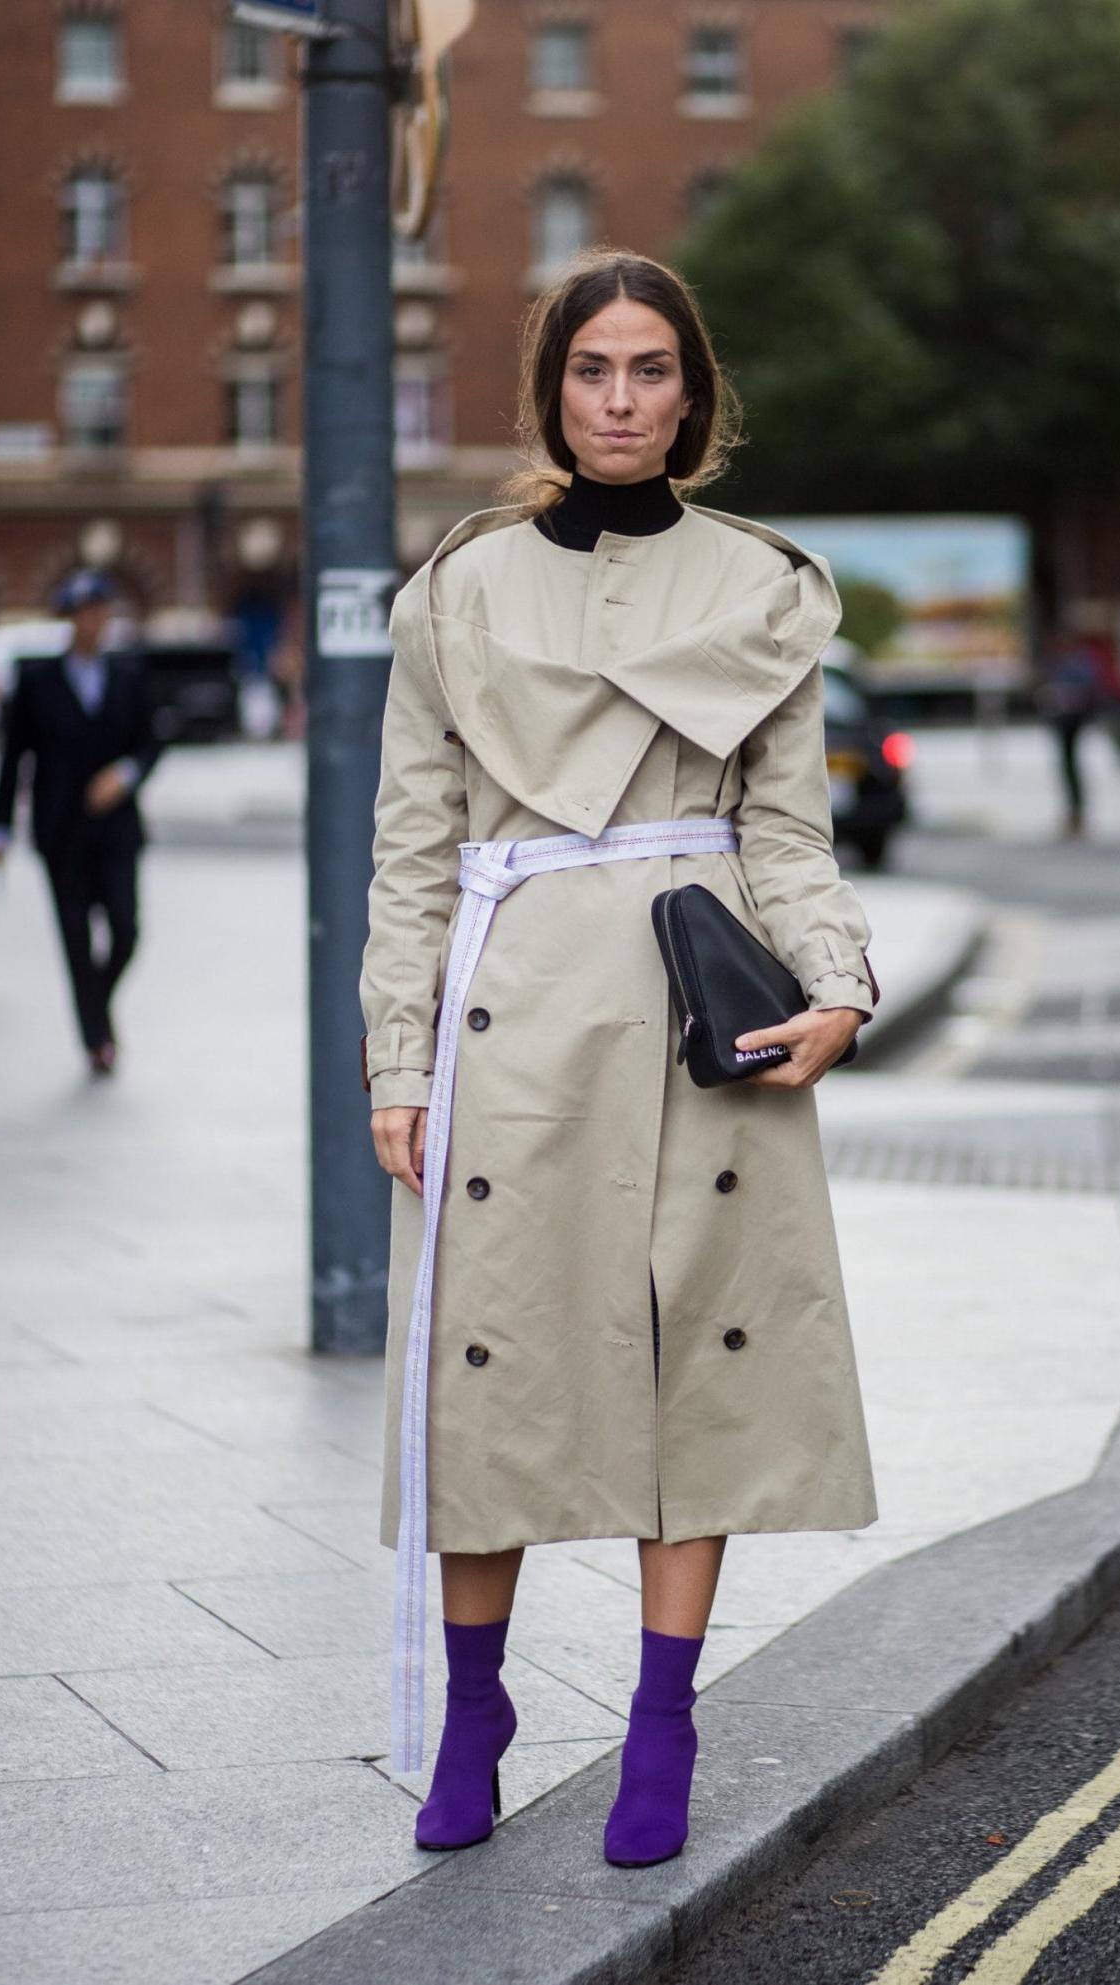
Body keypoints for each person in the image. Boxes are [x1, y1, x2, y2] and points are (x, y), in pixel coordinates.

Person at [359, 249, 879, 1867]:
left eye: (651, 370)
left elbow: (784, 829)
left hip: (692, 1016)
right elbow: (413, 846)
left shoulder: (757, 584)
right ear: (551, 391)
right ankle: (473, 1710)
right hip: (509, 1020)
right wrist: (397, 1057)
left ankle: (660, 1727)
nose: (621, 400)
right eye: (593, 370)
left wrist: (842, 982)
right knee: (488, 1372)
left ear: (692, 395)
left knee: (698, 1366)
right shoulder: (463, 586)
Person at [0, 570, 164, 1074]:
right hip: (60, 831)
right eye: (86, 613)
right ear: (70, 619)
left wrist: (126, 774)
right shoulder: (37, 680)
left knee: (127, 930)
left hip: (118, 830)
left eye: (103, 612)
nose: (96, 622)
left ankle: (97, 1006)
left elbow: (152, 743)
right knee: (75, 939)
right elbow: (14, 760)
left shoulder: (128, 676)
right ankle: (96, 1039)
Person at [1035, 621, 1104, 838]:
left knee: (1071, 764)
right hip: (1061, 718)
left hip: (1073, 718)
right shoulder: (1058, 662)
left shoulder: (1077, 662)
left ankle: (1078, 814)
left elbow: (1088, 687)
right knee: (1066, 765)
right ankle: (1073, 813)